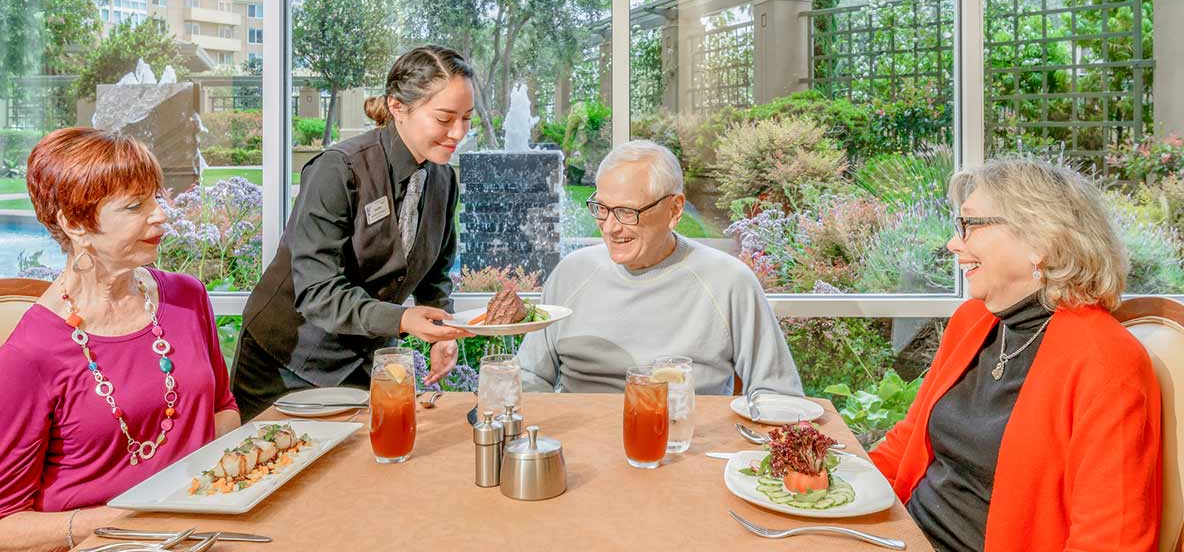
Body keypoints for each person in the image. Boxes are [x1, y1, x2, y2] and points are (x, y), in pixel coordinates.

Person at [870, 158, 1162, 551]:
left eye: (970, 225)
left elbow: (1111, 540)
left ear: (1039, 242)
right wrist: (835, 487)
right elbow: (907, 440)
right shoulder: (973, 320)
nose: (954, 243)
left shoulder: (1106, 363)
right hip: (901, 534)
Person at [0, 128, 240, 552]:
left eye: (155, 197)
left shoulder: (187, 296)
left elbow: (223, 407)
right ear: (73, 223)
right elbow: (6, 524)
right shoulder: (29, 354)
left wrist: (208, 489)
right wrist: (132, 520)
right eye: (135, 206)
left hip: (203, 532)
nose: (161, 215)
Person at [231, 45, 475, 419]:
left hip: (362, 363)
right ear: (397, 107)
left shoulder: (443, 179)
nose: (458, 132)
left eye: (466, 119)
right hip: (286, 364)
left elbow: (436, 273)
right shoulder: (339, 170)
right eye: (444, 118)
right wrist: (401, 319)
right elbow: (317, 292)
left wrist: (442, 323)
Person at [518, 140, 803, 396]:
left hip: (686, 443)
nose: (610, 227)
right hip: (581, 444)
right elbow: (528, 376)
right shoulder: (571, 273)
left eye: (627, 212)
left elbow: (778, 393)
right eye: (602, 209)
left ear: (675, 209)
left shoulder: (729, 282)